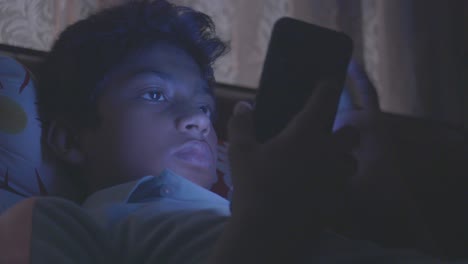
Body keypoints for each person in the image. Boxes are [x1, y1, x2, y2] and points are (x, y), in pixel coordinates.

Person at [0, 0, 451, 263]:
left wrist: (379, 188)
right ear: (69, 139)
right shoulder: (64, 221)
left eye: (203, 105)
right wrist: (266, 218)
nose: (199, 119)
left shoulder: (261, 203)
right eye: (155, 94)